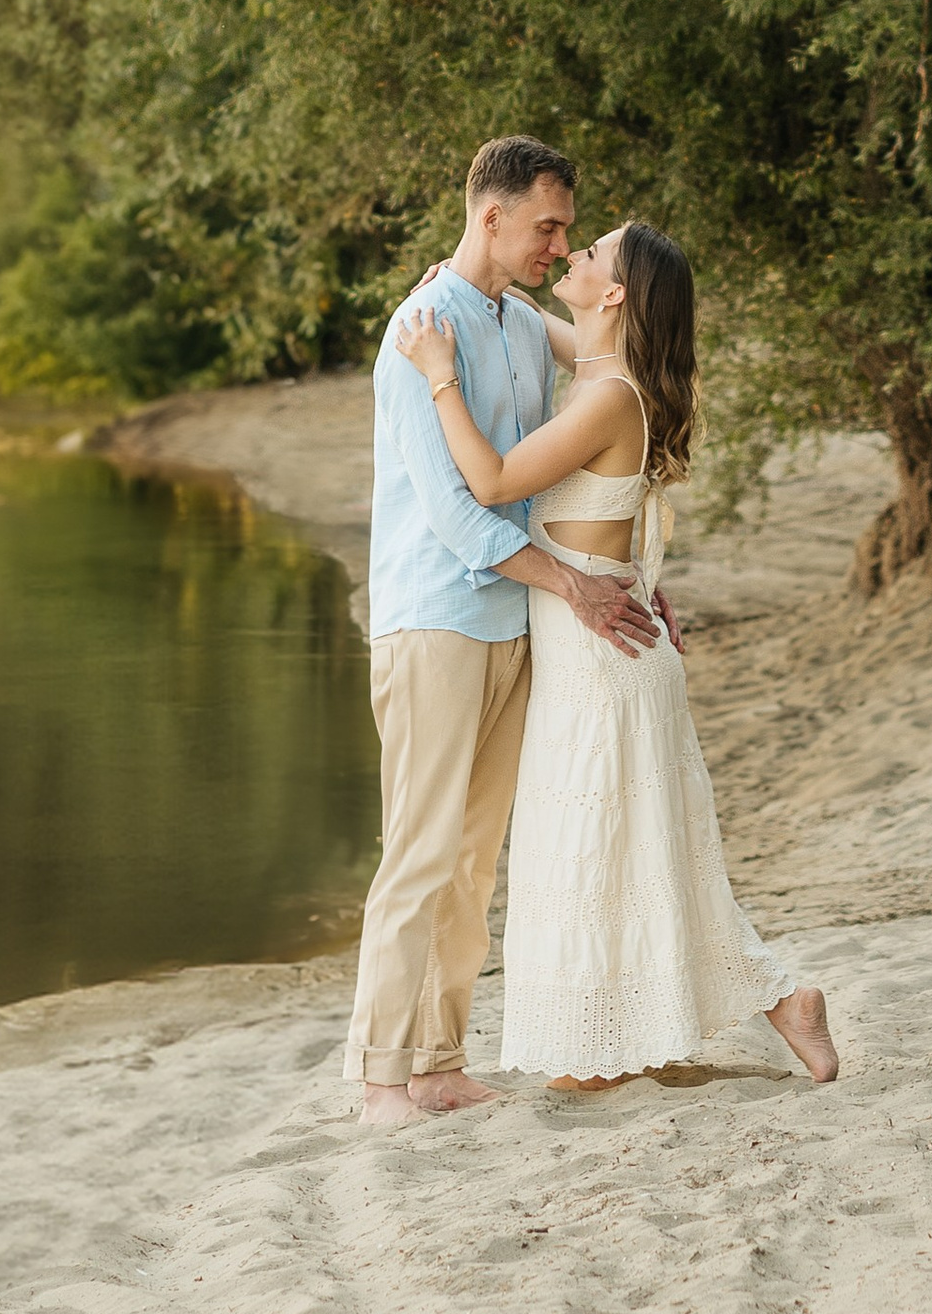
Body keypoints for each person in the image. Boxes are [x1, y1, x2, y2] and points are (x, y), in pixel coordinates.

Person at [394, 208, 837, 1095]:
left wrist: (440, 377)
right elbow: (529, 316)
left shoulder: (606, 396)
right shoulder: (601, 367)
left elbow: (489, 483)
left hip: (600, 656)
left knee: (596, 849)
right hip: (601, 643)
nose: (570, 252)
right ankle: (771, 1004)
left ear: (618, 289)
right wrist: (466, 274)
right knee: (640, 856)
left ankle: (614, 1053)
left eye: (588, 251)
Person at [345, 134, 661, 1131]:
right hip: (432, 619)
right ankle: (381, 1074)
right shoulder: (421, 325)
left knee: (472, 856)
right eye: (547, 225)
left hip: (510, 623)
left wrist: (612, 572)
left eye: (568, 227)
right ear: (492, 214)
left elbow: (615, 362)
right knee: (420, 852)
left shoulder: (520, 322)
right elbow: (455, 513)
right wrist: (572, 582)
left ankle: (438, 1060)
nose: (558, 242)